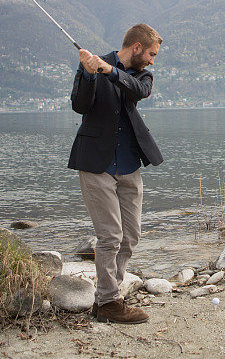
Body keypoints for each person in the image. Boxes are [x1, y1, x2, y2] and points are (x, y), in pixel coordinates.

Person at [68, 23, 163, 324]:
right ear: (137, 47)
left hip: (130, 166)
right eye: (151, 53)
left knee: (130, 236)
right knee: (110, 236)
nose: (152, 60)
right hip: (96, 165)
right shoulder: (92, 66)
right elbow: (80, 105)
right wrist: (87, 72)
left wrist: (108, 71)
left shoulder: (141, 75)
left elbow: (139, 91)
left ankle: (108, 296)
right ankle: (109, 302)